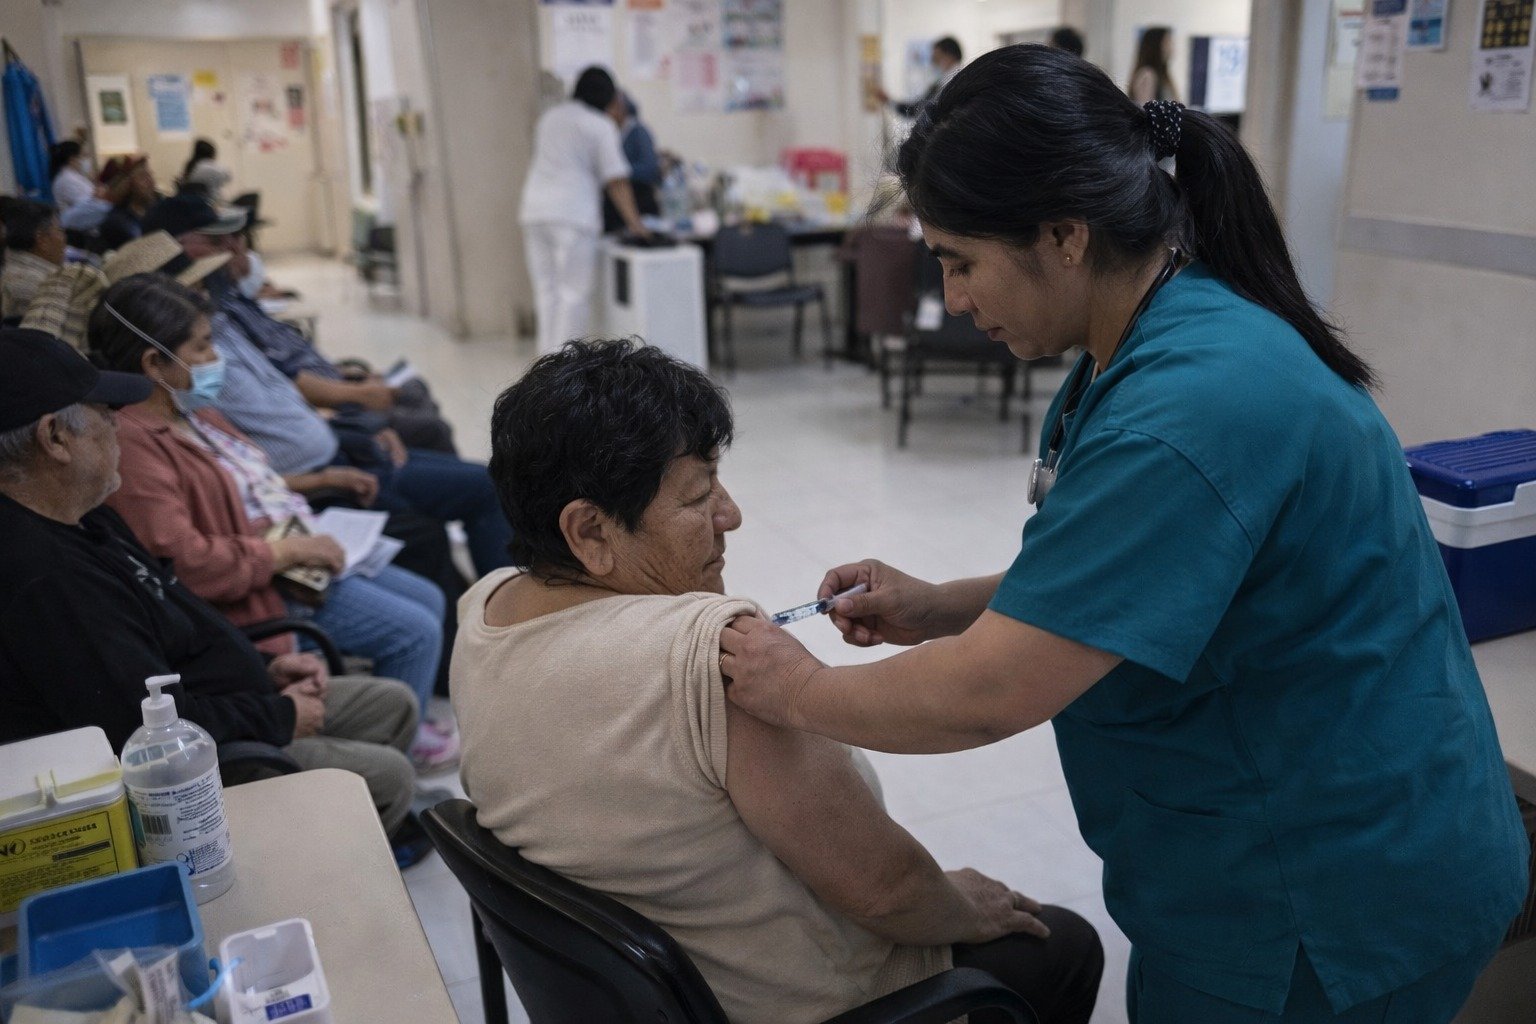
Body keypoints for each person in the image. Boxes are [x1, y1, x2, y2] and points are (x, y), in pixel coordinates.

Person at [720, 46, 1529, 1024]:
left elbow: (989, 694)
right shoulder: (1146, 343)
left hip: (1326, 903)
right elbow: (1124, 580)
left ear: (1064, 235)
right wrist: (938, 606)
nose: (959, 299)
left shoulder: (1188, 411)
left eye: (961, 262)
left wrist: (798, 689)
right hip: (1260, 867)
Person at [456, 339, 1104, 1024]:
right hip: (803, 1005)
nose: (729, 514)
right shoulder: (713, 656)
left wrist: (940, 604)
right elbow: (886, 889)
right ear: (590, 531)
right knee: (1062, 947)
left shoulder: (486, 607)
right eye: (700, 495)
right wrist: (959, 905)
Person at [0, 327, 423, 849]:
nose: (118, 426)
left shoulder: (89, 520)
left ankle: (348, 839)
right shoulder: (49, 582)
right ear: (54, 438)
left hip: (227, 699)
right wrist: (280, 715)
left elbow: (177, 613)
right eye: (105, 415)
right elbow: (143, 733)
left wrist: (263, 666)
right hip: (200, 758)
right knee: (386, 778)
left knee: (393, 704)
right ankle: (325, 869)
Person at [87, 274, 458, 771]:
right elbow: (186, 561)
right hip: (261, 585)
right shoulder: (136, 446)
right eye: (200, 347)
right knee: (414, 630)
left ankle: (393, 737)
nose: (213, 359)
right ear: (154, 362)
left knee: (430, 596)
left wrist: (324, 479)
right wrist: (287, 552)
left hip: (284, 550)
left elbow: (246, 478)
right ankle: (390, 763)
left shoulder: (191, 411)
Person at [519, 66, 648, 355]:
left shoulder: (550, 117)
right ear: (608, 96)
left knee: (547, 292)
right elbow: (616, 180)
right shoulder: (598, 125)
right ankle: (563, 369)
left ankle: (545, 364)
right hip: (572, 215)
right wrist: (636, 225)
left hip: (535, 212)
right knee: (573, 295)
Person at [602, 93, 662, 233]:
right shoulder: (615, 133)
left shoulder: (638, 132)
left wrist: (617, 170)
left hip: (639, 202)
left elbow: (650, 168)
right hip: (616, 208)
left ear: (620, 108)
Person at [1, 200, 65, 321]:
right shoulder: (38, 286)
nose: (63, 239)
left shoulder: (15, 269)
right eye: (59, 231)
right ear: (42, 240)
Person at [877, 37, 964, 117]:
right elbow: (916, 109)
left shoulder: (952, 83)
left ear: (949, 56)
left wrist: (888, 101)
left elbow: (916, 110)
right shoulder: (951, 81)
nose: (935, 65)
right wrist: (888, 101)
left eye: (937, 59)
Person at [98, 156, 160, 251]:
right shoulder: (119, 223)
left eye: (150, 175)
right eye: (143, 178)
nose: (151, 182)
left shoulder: (156, 209)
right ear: (125, 186)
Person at [1128, 27, 1177, 104]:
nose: (1171, 47)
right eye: (1167, 42)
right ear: (1156, 45)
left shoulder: (1163, 75)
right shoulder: (1147, 75)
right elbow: (1145, 109)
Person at [179, 138, 232, 204]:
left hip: (192, 204)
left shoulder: (191, 166)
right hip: (210, 203)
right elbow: (228, 176)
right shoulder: (211, 167)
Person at [50, 140, 97, 214]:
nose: (85, 160)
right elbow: (87, 206)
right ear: (72, 159)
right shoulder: (66, 180)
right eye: (83, 156)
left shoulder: (74, 176)